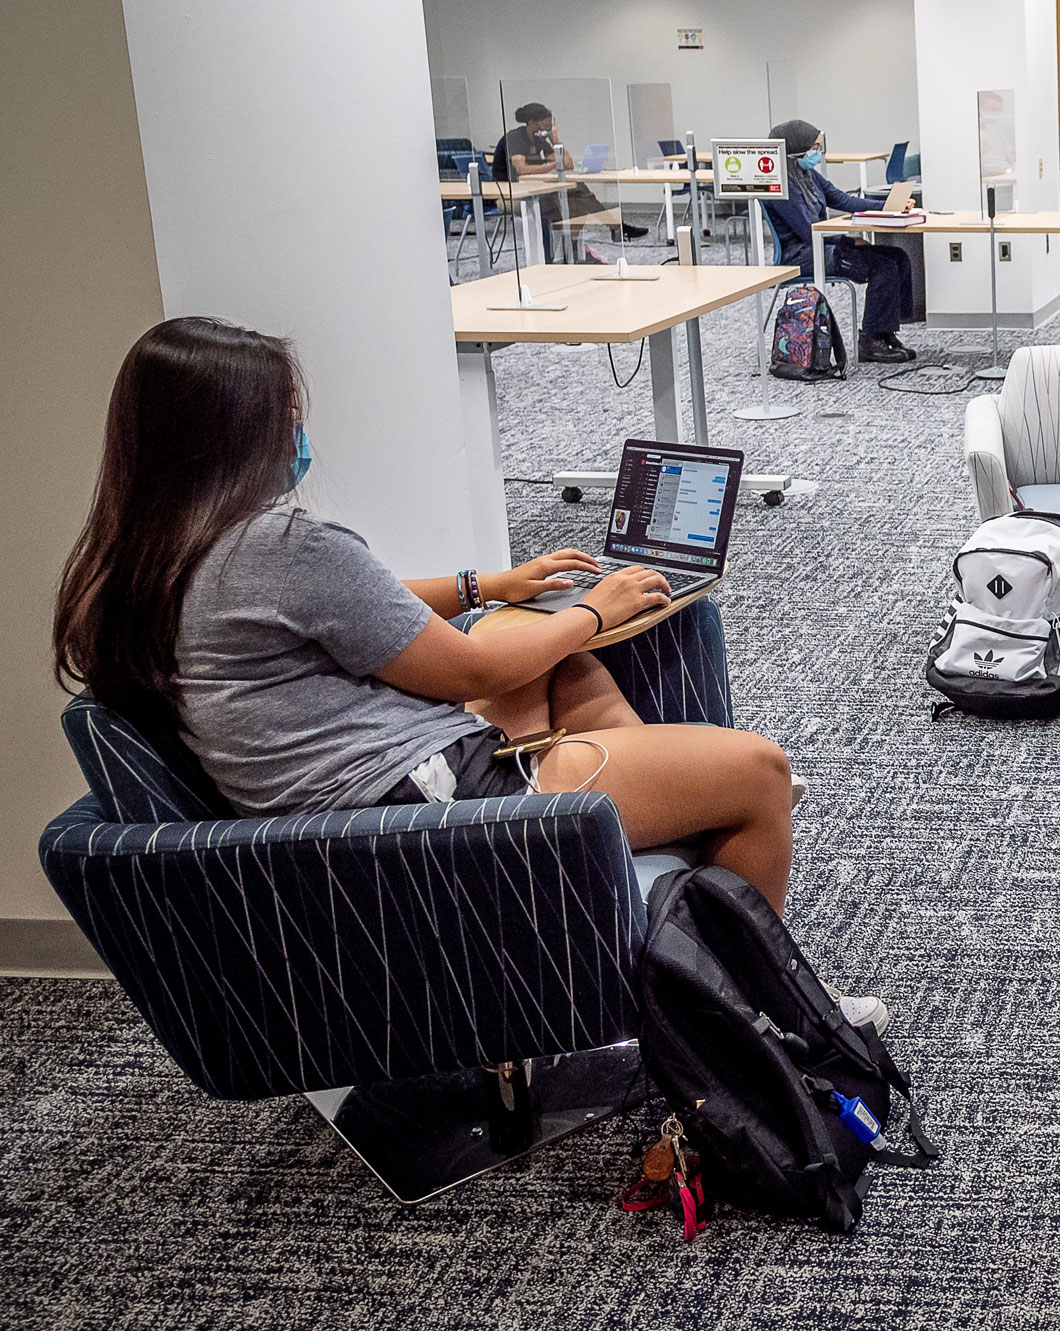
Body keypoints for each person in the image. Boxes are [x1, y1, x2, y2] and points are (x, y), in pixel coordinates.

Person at [51, 318, 802, 913]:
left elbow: (356, 606)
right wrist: (594, 612)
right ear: (237, 435)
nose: (297, 433)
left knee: (559, 664)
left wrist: (491, 586)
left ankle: (655, 844)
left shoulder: (138, 557)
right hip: (427, 809)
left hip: (355, 804)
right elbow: (467, 673)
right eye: (287, 416)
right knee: (759, 769)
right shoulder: (283, 546)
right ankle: (762, 1008)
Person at [763, 118, 918, 365]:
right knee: (883, 267)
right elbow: (808, 231)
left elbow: (843, 201)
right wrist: (846, 240)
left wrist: (890, 206)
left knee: (898, 257)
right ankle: (870, 341)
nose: (817, 152)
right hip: (801, 255)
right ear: (796, 148)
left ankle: (885, 332)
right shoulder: (781, 186)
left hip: (822, 245)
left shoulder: (808, 175)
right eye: (813, 147)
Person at [496, 100, 630, 252]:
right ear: (532, 123)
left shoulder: (539, 139)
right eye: (545, 128)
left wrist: (555, 139)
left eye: (549, 129)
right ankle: (607, 230)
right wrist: (554, 165)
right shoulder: (515, 138)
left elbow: (568, 164)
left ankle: (572, 249)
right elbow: (521, 169)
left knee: (577, 197)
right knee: (576, 200)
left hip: (535, 189)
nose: (546, 131)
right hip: (510, 195)